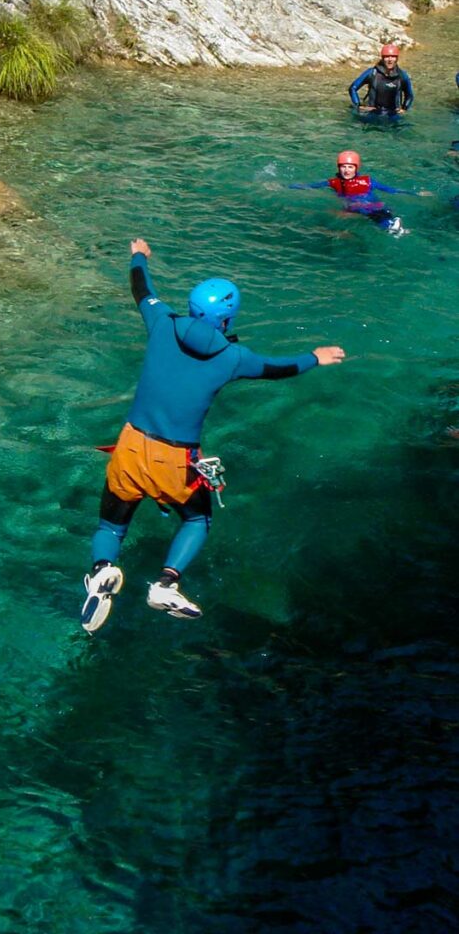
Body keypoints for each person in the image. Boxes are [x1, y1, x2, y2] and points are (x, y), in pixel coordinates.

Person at [80, 238, 346, 634]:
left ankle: (102, 571)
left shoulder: (162, 322)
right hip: (174, 460)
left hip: (131, 444)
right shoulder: (234, 357)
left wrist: (140, 254)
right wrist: (315, 358)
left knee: (110, 527)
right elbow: (278, 368)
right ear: (226, 320)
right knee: (198, 518)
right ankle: (167, 583)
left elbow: (141, 288)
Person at [289, 149, 426, 234]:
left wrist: (416, 194)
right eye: (343, 167)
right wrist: (286, 187)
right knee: (357, 212)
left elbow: (392, 190)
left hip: (369, 205)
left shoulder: (368, 181)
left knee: (370, 211)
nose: (346, 170)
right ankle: (392, 226)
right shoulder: (333, 182)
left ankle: (391, 225)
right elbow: (309, 186)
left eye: (350, 167)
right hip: (353, 207)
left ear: (356, 168)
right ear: (338, 168)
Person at [349, 44, 414, 116]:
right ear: (382, 58)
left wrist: (404, 108)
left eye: (393, 57)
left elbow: (409, 95)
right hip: (372, 114)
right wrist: (358, 105)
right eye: (387, 57)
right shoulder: (372, 73)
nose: (390, 60)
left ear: (397, 58)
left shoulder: (402, 75)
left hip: (393, 115)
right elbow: (353, 88)